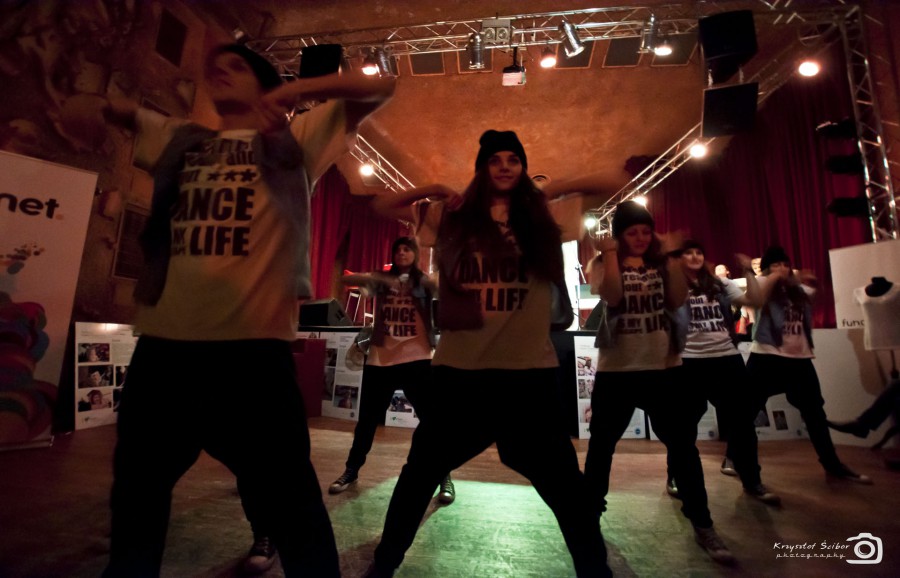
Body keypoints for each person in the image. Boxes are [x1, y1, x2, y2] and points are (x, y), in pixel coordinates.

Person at [98, 43, 394, 578]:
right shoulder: (181, 139)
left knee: (292, 505)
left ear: (264, 84)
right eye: (215, 66)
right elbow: (94, 113)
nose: (220, 70)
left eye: (237, 66)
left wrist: (295, 92)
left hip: (251, 355)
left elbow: (380, 87)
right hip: (163, 350)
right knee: (137, 500)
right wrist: (106, 109)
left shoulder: (294, 139)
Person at [364, 130, 612, 577]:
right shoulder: (454, 216)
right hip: (461, 374)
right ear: (481, 169)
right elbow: (382, 205)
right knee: (418, 477)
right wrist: (435, 188)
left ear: (522, 167)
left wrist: (548, 189)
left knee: (567, 492)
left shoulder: (542, 216)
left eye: (513, 159)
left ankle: (597, 573)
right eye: (494, 159)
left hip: (528, 376)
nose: (504, 166)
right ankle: (383, 565)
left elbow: (611, 181)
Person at [584, 202, 736, 565]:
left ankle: (703, 523)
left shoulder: (663, 262)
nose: (640, 238)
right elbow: (613, 297)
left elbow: (677, 299)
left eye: (645, 231)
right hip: (617, 371)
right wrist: (610, 253)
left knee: (683, 448)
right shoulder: (601, 262)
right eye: (631, 232)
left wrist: (672, 259)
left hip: (664, 368)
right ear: (619, 235)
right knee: (601, 449)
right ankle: (587, 521)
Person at [328, 236, 457, 504]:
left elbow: (446, 284)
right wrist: (380, 279)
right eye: (397, 249)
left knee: (434, 422)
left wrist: (422, 280)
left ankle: (444, 476)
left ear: (416, 254)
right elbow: (348, 279)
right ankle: (351, 470)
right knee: (366, 422)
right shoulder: (381, 281)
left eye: (407, 249)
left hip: (417, 358)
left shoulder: (424, 282)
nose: (401, 253)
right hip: (381, 360)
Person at [664, 240, 780, 506]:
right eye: (688, 253)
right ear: (679, 259)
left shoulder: (719, 284)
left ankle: (752, 479)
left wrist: (748, 272)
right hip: (688, 362)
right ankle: (675, 476)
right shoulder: (673, 284)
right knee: (683, 427)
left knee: (743, 422)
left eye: (699, 252)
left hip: (726, 359)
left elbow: (754, 300)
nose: (694, 256)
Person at [746, 245, 871, 484]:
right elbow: (756, 296)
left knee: (814, 413)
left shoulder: (797, 291)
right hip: (766, 357)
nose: (782, 269)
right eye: (776, 265)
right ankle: (734, 458)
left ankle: (832, 463)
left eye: (785, 264)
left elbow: (820, 298)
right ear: (766, 269)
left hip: (799, 359)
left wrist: (813, 283)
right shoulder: (762, 285)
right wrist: (773, 278)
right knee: (747, 411)